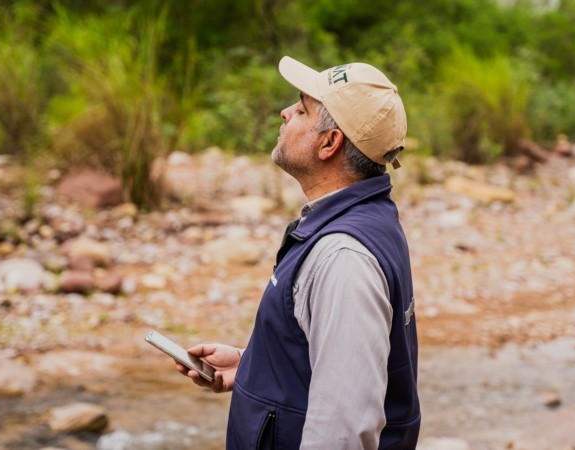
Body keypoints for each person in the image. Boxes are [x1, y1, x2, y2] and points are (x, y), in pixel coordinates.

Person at [175, 56, 420, 449]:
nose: (285, 112)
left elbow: (343, 430)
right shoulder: (364, 218)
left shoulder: (344, 257)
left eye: (302, 109)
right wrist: (253, 365)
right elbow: (331, 357)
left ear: (329, 143)